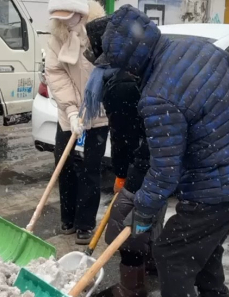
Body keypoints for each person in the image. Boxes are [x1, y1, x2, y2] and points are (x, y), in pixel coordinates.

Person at [81, 5, 229, 297]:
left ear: (132, 60)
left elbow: (164, 172)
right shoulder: (194, 46)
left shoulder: (157, 96)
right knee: (202, 247)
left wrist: (142, 212)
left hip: (219, 186)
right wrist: (217, 121)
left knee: (171, 254)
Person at [85, 15, 164, 297]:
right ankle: (153, 263)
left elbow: (124, 136)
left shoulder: (118, 84)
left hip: (149, 158)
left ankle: (131, 288)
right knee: (150, 216)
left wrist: (123, 176)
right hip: (161, 156)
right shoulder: (138, 69)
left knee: (125, 225)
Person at [45, 0, 109, 245]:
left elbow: (109, 71)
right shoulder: (55, 39)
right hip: (68, 117)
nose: (64, 21)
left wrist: (91, 107)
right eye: (59, 16)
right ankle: (68, 219)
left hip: (97, 116)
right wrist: (71, 111)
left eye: (68, 15)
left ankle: (85, 224)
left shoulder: (101, 33)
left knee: (90, 171)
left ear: (80, 11)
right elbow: (56, 74)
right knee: (66, 167)